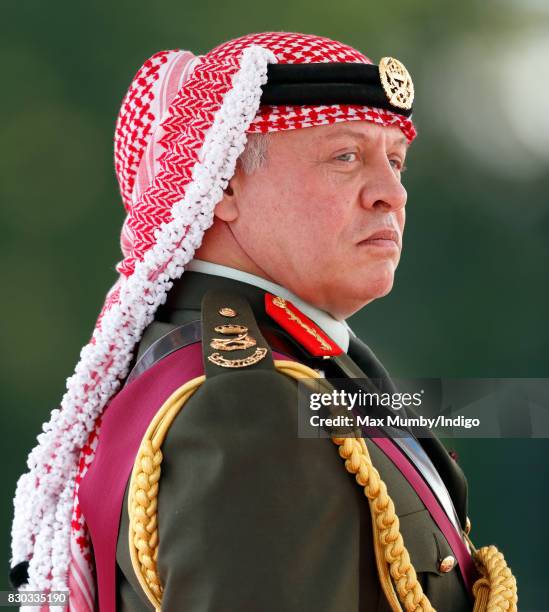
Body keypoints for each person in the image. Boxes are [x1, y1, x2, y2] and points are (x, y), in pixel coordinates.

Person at [10, 32, 517, 612]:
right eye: (345, 156)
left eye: (395, 161)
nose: (391, 193)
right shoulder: (250, 407)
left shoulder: (271, 372)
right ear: (221, 182)